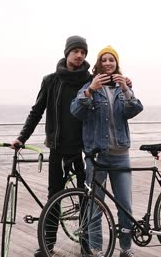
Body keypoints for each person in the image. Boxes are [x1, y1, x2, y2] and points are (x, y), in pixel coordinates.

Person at [11, 35, 91, 257]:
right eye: (76, 51)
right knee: (54, 196)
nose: (80, 55)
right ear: (67, 52)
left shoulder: (90, 80)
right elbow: (37, 111)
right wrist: (22, 138)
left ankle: (86, 245)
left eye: (83, 52)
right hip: (57, 147)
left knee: (85, 197)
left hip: (82, 149)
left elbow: (110, 83)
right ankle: (47, 245)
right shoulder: (51, 80)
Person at [71, 45, 143, 257]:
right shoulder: (89, 86)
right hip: (97, 156)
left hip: (121, 155)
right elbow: (76, 110)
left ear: (116, 63)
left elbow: (135, 109)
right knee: (95, 207)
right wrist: (90, 90)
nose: (108, 63)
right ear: (99, 64)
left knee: (125, 206)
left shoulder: (123, 87)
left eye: (112, 60)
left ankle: (126, 248)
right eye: (104, 59)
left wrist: (127, 90)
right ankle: (96, 249)